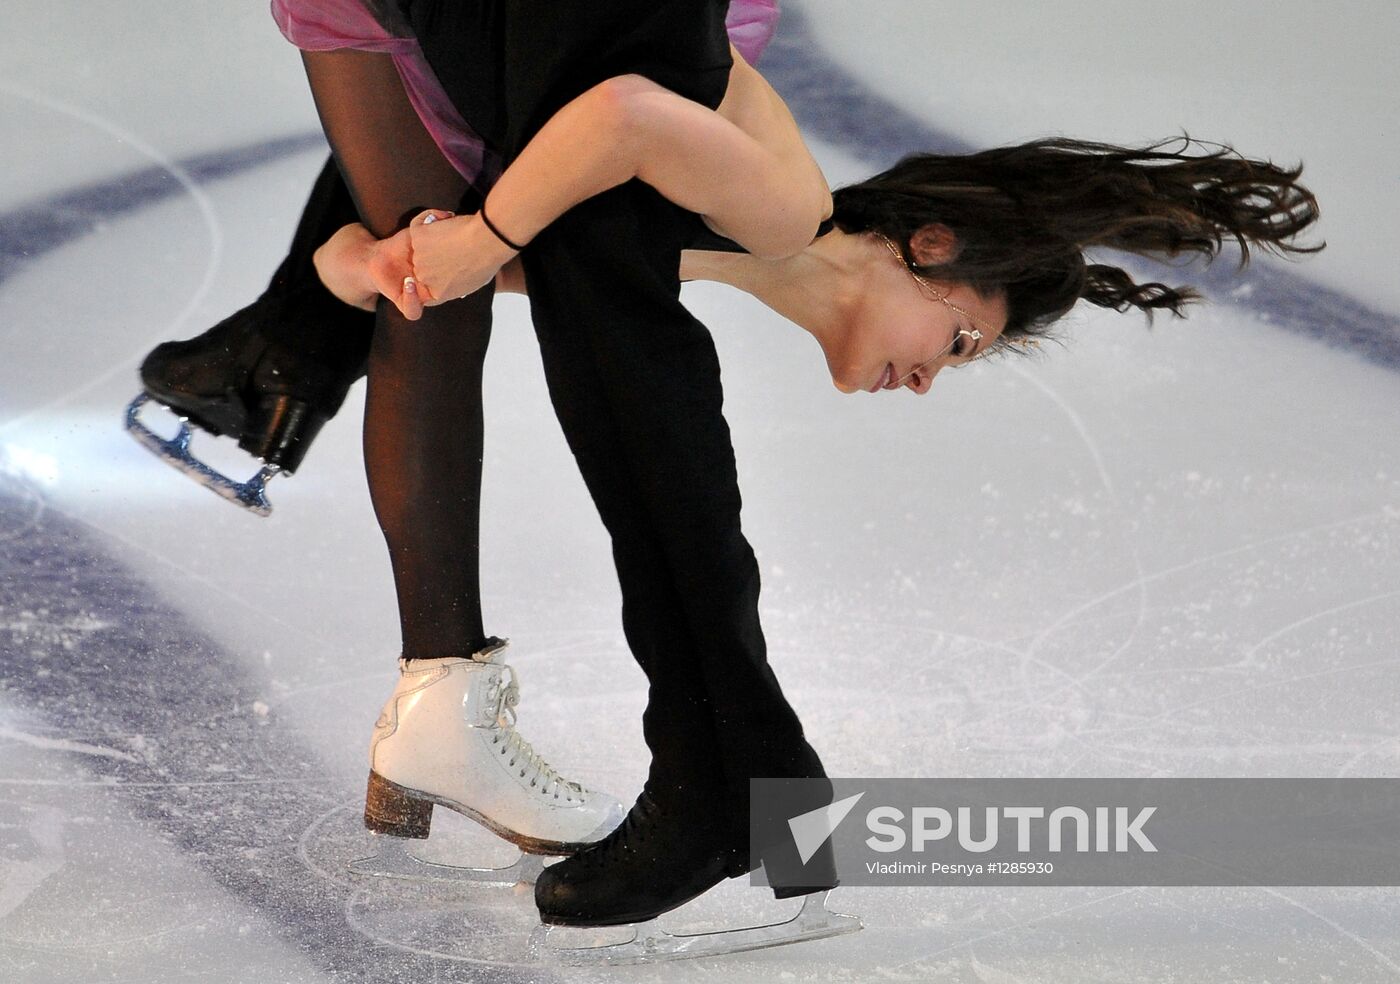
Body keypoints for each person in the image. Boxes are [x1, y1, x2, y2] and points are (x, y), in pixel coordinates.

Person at [149, 0, 1321, 934]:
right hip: (529, 38)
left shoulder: (732, 252)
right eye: (955, 341)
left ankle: (738, 791)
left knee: (595, 345)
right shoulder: (782, 208)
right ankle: (740, 791)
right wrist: (487, 237)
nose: (926, 378)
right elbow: (619, 115)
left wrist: (370, 268)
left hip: (487, 42)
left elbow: (442, 279)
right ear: (927, 249)